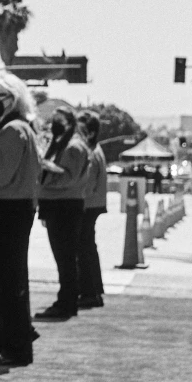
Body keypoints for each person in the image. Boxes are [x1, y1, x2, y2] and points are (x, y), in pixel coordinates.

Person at [0, 72, 41, 367]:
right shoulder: (14, 128)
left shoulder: (14, 130)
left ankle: (17, 344)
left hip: (9, 210)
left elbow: (0, 174)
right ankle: (12, 333)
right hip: (9, 208)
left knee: (9, 278)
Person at [34, 108, 91, 321]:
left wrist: (46, 168)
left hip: (65, 206)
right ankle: (67, 299)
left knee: (65, 257)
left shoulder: (74, 147)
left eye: (57, 120)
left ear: (68, 122)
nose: (53, 123)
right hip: (56, 205)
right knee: (63, 257)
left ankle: (67, 302)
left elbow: (68, 177)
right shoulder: (61, 143)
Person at [77, 111, 109, 309]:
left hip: (87, 205)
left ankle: (89, 291)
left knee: (83, 250)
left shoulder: (90, 153)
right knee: (88, 249)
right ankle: (94, 290)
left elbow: (86, 185)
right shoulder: (96, 150)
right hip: (94, 204)